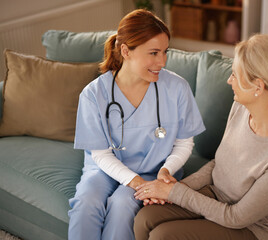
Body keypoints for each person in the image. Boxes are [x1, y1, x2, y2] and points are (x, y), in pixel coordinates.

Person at [133, 33, 268, 240]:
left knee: (164, 236)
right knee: (145, 217)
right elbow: (221, 163)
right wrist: (176, 188)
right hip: (221, 196)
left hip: (260, 227)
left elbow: (237, 217)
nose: (229, 80)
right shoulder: (242, 107)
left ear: (258, 87)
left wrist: (174, 194)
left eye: (235, 74)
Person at [68, 9, 205, 240]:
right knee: (86, 202)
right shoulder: (94, 94)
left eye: (165, 52)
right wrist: (136, 182)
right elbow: (100, 154)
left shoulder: (177, 88)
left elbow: (184, 143)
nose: (162, 61)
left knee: (123, 204)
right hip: (105, 169)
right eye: (153, 53)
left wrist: (165, 171)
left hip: (156, 171)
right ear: (125, 51)